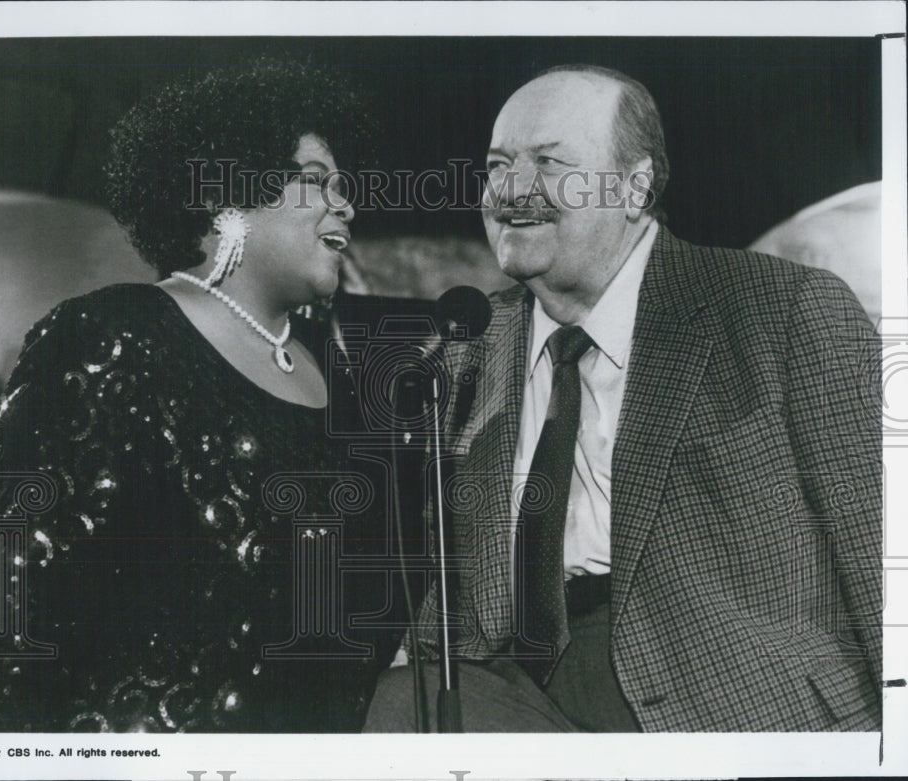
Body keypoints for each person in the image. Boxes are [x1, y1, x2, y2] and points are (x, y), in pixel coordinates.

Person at [365, 64, 882, 732]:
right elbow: (457, 577)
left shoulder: (782, 311)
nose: (511, 189)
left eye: (550, 162)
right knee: (400, 707)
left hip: (736, 708)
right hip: (529, 693)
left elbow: (884, 557)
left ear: (634, 187)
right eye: (497, 165)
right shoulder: (473, 343)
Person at [0, 62, 388, 732]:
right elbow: (5, 609)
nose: (346, 205)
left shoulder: (346, 378)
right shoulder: (110, 335)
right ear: (229, 196)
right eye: (317, 181)